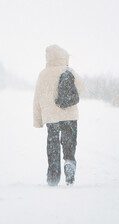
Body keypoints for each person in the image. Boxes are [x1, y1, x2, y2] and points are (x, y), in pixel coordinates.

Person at [33, 44, 85, 186]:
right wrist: (68, 99)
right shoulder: (69, 71)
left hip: (51, 117)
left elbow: (37, 98)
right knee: (69, 142)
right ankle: (69, 162)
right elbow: (81, 87)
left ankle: (53, 176)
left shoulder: (43, 74)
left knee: (53, 144)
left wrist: (38, 120)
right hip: (70, 115)